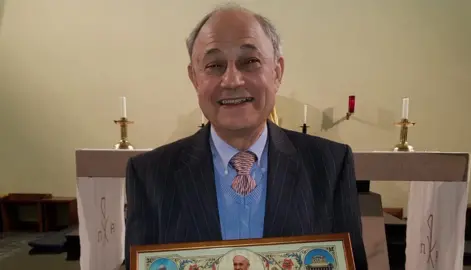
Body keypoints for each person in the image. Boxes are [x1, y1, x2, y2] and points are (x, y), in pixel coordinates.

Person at [125, 4, 367, 270]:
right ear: (194, 78)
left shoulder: (329, 165)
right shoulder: (150, 175)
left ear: (277, 72)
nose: (232, 80)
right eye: (214, 65)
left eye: (250, 62)